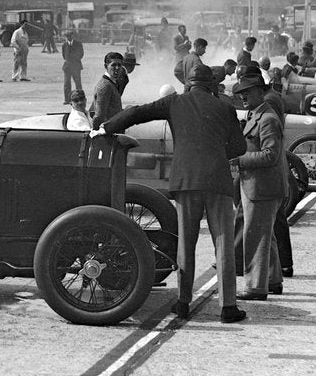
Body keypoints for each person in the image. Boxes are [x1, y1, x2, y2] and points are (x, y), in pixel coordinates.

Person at [91, 64, 247, 324]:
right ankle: (228, 306)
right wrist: (217, 153)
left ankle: (183, 302)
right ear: (211, 85)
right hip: (217, 181)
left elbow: (136, 112)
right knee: (223, 245)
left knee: (186, 242)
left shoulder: (175, 102)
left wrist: (107, 127)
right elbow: (239, 146)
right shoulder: (224, 107)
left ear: (187, 83)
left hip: (186, 181)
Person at [230, 71, 287, 301]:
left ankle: (255, 287)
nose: (243, 97)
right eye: (240, 93)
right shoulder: (257, 115)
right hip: (259, 185)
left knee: (255, 236)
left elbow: (270, 155)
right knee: (266, 235)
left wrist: (238, 161)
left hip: (262, 187)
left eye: (247, 92)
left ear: (260, 92)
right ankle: (272, 280)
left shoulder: (267, 119)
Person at [90, 52, 126, 128]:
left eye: (119, 65)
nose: (117, 68)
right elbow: (99, 116)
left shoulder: (113, 82)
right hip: (109, 134)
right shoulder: (105, 86)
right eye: (113, 65)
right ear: (106, 66)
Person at [61, 29, 84, 103]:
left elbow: (81, 54)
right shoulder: (64, 45)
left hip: (76, 66)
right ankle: (67, 99)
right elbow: (64, 56)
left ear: (72, 36)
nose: (68, 38)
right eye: (67, 36)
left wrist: (74, 60)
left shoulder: (78, 44)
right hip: (67, 67)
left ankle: (80, 99)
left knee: (78, 83)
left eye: (69, 36)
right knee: (66, 83)